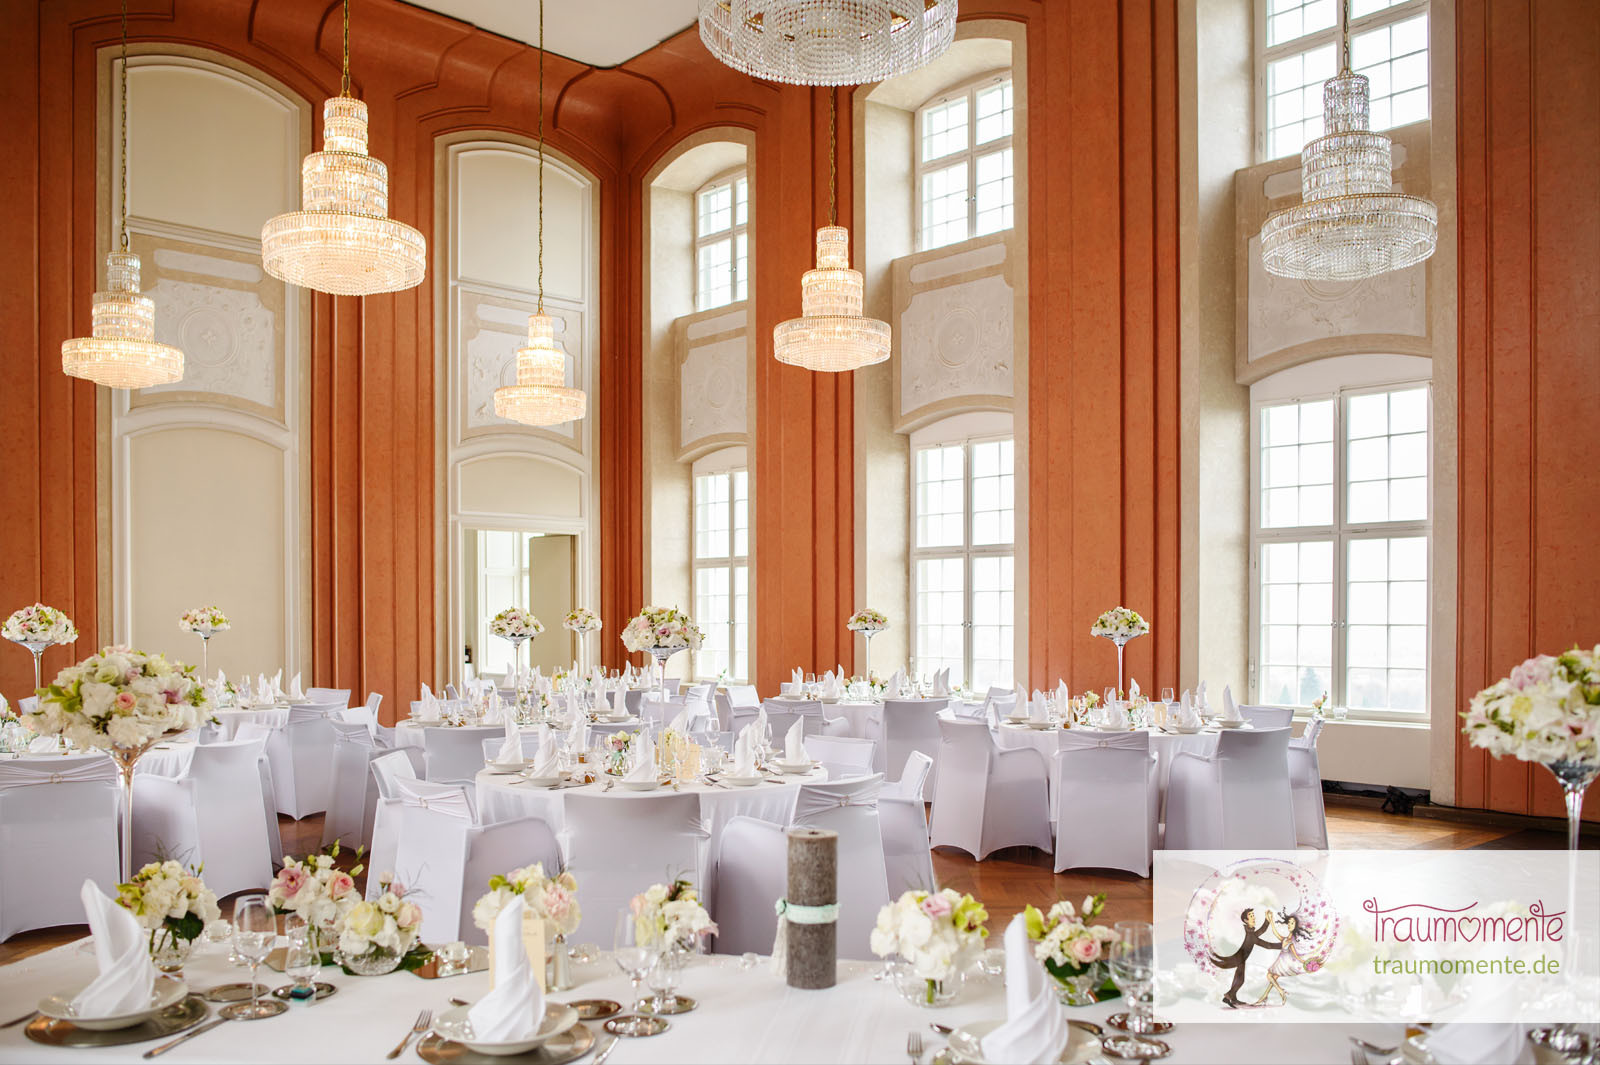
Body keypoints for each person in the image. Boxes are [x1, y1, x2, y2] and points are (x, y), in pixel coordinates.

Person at [1209, 907, 1282, 1008]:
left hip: (1241, 958)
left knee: (1239, 979)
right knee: (1240, 980)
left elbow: (1261, 932)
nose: (1254, 917)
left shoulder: (1250, 932)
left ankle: (1230, 998)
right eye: (1251, 916)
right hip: (1240, 958)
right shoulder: (1250, 935)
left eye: (1253, 915)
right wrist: (1281, 945)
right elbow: (1266, 945)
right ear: (1246, 920)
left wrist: (1267, 920)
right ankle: (1229, 996)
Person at [1254, 911, 1315, 1006]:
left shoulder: (1291, 941)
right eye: (1289, 923)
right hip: (1281, 962)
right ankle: (1264, 996)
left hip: (1285, 963)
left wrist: (1304, 962)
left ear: (1296, 925)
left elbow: (1296, 954)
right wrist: (1271, 921)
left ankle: (1281, 992)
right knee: (1272, 979)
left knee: (1269, 976)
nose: (1289, 925)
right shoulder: (1286, 938)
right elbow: (1276, 933)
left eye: (1292, 923)